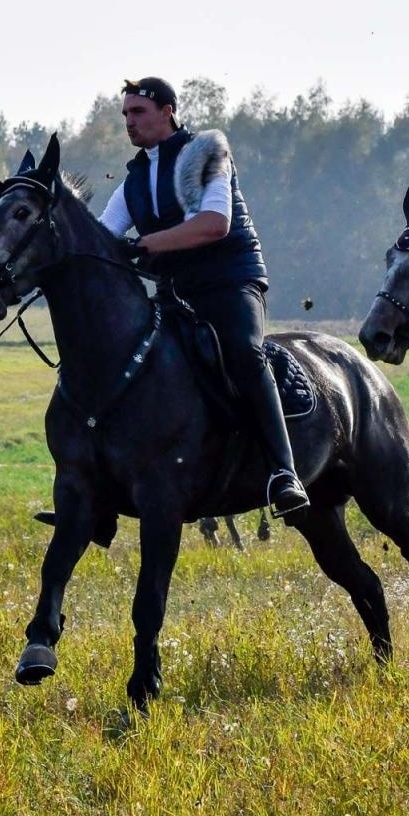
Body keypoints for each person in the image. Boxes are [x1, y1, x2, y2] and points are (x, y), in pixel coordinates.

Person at [95, 77, 309, 518]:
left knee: (245, 356)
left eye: (138, 112)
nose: (129, 123)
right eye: (125, 115)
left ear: (168, 110)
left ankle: (284, 473)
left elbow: (214, 223)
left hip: (231, 283)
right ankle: (98, 496)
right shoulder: (134, 180)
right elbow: (103, 239)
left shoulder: (206, 154)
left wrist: (149, 243)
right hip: (178, 293)